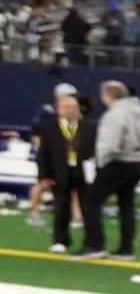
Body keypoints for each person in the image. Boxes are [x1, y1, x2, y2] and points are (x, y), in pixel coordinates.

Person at [80, 81, 140, 261]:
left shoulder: (115, 114)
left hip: (117, 163)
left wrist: (101, 161)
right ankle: (126, 249)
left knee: (90, 200)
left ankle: (94, 245)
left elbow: (111, 144)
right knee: (126, 205)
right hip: (136, 164)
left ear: (107, 95)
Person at [40, 91, 94, 254]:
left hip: (84, 172)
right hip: (59, 172)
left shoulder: (89, 126)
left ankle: (91, 241)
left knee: (88, 207)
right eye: (67, 107)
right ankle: (60, 240)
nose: (71, 110)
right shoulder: (49, 128)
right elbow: (44, 154)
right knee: (61, 207)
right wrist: (44, 176)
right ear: (59, 109)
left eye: (74, 107)